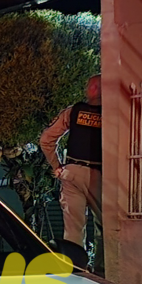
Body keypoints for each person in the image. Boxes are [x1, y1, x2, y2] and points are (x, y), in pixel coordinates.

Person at [39, 74, 102, 249]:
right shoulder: (114, 113)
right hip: (102, 176)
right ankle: (102, 271)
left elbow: (46, 139)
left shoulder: (73, 111)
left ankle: (77, 268)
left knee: (73, 230)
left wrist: (57, 166)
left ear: (93, 89)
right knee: (106, 228)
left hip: (72, 173)